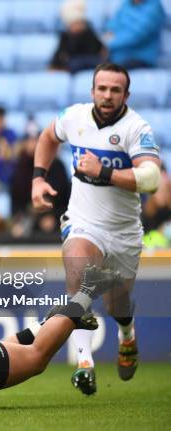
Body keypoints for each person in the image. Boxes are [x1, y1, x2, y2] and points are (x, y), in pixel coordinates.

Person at [31, 62, 161, 395]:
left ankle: (127, 333)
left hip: (124, 232)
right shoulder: (74, 117)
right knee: (79, 278)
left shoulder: (136, 128)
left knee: (118, 305)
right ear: (92, 91)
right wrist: (38, 179)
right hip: (83, 222)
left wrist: (104, 171)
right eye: (102, 88)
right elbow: (47, 137)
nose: (107, 95)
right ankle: (84, 364)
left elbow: (150, 179)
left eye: (115, 90)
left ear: (125, 95)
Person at [104, 0, 165, 69]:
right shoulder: (127, 3)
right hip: (116, 56)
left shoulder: (154, 7)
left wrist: (108, 44)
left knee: (111, 70)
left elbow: (136, 36)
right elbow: (114, 23)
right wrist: (108, 34)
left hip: (140, 58)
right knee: (92, 61)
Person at [50, 0, 106, 73]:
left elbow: (101, 50)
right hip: (74, 67)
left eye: (79, 22)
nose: (77, 26)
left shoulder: (90, 33)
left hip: (92, 65)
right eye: (74, 23)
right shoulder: (65, 37)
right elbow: (57, 59)